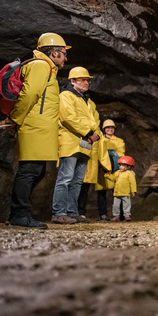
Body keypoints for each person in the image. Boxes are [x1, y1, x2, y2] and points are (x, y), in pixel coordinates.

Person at [4, 32, 70, 229]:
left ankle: (17, 213)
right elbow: (30, 94)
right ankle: (19, 215)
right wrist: (15, 119)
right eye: (64, 53)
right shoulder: (40, 66)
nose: (66, 57)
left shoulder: (46, 67)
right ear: (54, 52)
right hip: (34, 126)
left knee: (37, 171)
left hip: (41, 127)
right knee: (29, 171)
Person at [51, 66, 100, 224]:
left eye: (87, 80)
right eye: (83, 80)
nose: (87, 83)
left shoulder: (84, 99)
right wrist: (89, 133)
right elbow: (68, 118)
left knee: (77, 181)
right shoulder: (66, 95)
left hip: (84, 144)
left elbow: (90, 120)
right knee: (65, 178)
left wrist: (91, 135)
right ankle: (59, 213)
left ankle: (72, 212)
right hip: (70, 141)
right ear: (72, 81)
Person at [78, 119, 124, 221]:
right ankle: (103, 215)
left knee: (118, 192)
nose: (110, 129)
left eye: (112, 128)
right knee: (101, 193)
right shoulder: (99, 139)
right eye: (108, 128)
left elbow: (121, 154)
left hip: (114, 169)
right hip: (102, 170)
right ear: (104, 129)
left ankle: (120, 215)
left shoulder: (119, 141)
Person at [105, 156, 137, 222]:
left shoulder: (130, 174)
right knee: (115, 205)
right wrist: (108, 176)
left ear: (128, 167)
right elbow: (113, 178)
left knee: (126, 204)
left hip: (125, 192)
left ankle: (127, 215)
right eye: (120, 165)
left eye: (123, 165)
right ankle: (116, 216)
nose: (120, 167)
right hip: (117, 192)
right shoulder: (118, 172)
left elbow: (132, 183)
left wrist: (133, 191)